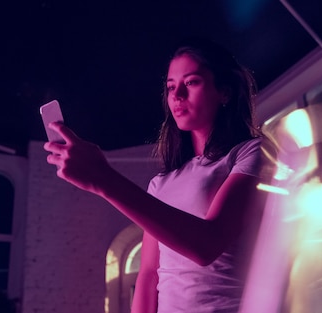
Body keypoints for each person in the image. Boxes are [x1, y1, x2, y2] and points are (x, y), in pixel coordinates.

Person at [43, 38, 268, 313]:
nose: (177, 95)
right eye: (171, 87)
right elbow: (149, 274)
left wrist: (103, 179)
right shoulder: (160, 183)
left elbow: (208, 244)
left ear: (225, 92)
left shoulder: (252, 152)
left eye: (192, 82)